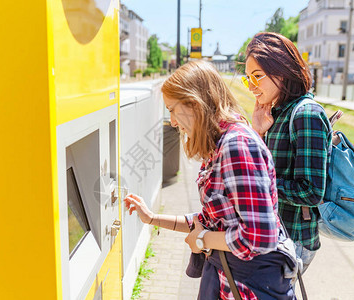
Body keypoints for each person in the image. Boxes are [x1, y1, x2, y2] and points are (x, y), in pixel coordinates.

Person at [124, 60, 295, 299]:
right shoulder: (221, 144)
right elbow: (213, 221)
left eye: (172, 109)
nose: (172, 121)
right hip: (235, 285)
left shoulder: (236, 146)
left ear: (194, 104)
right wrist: (152, 218)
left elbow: (259, 236)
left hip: (248, 289)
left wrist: (203, 240)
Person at [244, 32, 331, 273]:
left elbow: (311, 191)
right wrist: (259, 132)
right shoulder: (277, 114)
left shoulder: (307, 114)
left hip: (293, 240)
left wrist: (262, 184)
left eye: (257, 76)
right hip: (274, 236)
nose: (251, 86)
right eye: (247, 78)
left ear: (281, 70)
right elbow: (264, 167)